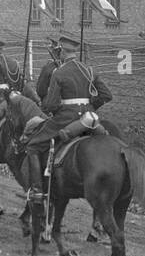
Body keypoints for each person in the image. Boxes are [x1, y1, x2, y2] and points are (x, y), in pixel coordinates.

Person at [20, 33, 113, 163]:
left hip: (66, 118)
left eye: (59, 51)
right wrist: (91, 106)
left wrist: (52, 109)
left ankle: (35, 184)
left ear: (62, 51)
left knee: (33, 145)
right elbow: (107, 95)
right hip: (89, 115)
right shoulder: (89, 70)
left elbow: (51, 105)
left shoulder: (59, 72)